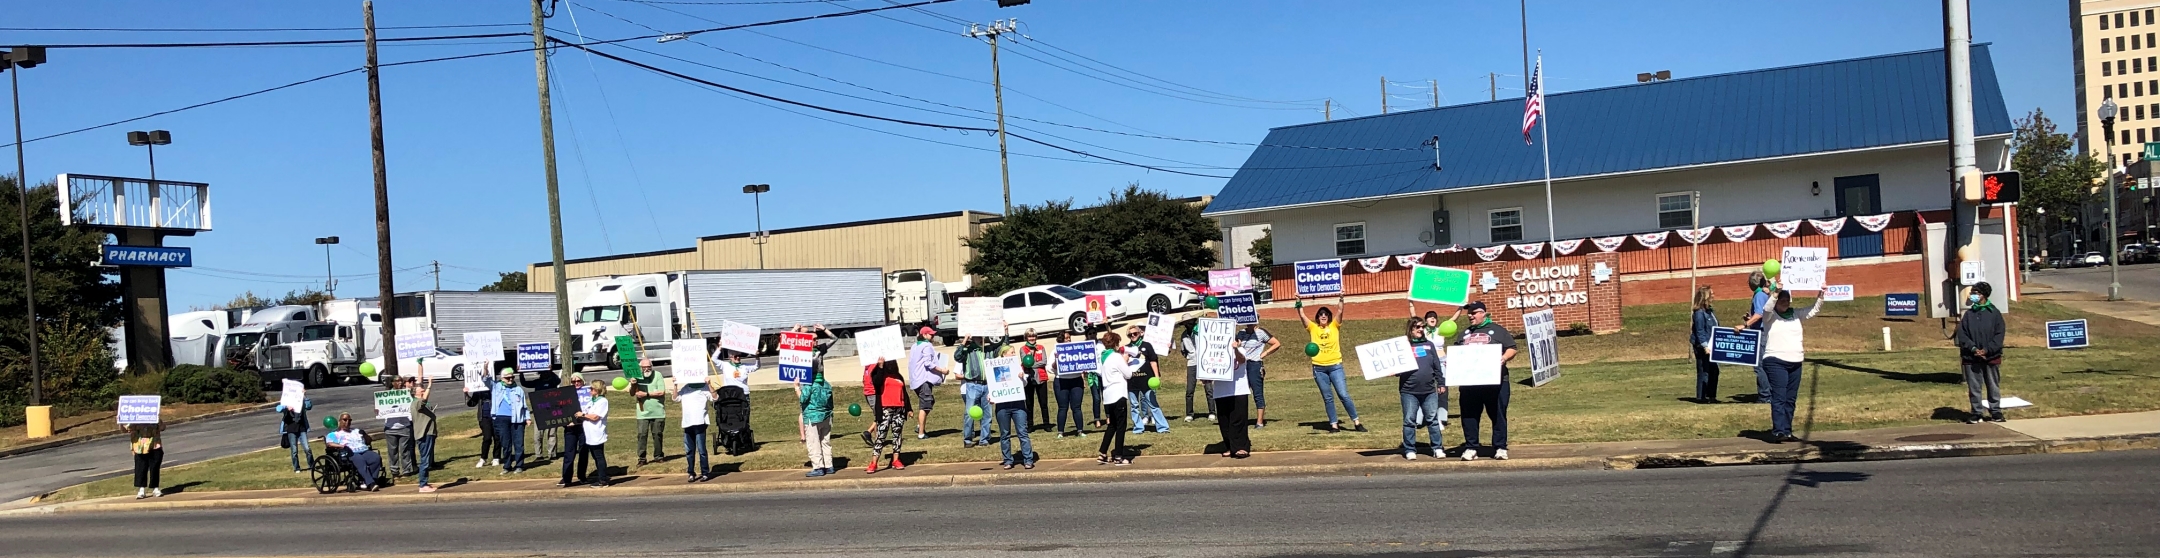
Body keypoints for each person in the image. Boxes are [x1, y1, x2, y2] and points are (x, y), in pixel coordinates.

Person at [1739, 290, 1824, 443]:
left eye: (1787, 299)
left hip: (1796, 360)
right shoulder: (1770, 316)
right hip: (1776, 360)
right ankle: (1778, 431)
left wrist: (1821, 294)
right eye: (1782, 299)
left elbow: (1813, 310)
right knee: (1779, 396)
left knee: (1791, 399)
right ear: (1777, 301)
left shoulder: (1795, 313)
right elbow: (1766, 309)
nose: (1785, 302)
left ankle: (1787, 430)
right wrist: (1775, 293)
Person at [1455, 301, 1519, 461]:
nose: (1470, 315)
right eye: (1469, 313)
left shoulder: (1497, 330)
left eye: (1474, 312)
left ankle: (1500, 447)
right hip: (1470, 383)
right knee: (1469, 415)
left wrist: (1503, 358)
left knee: (1498, 414)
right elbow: (1457, 353)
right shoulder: (1464, 334)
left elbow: (1512, 348)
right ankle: (1471, 447)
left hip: (1496, 382)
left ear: (1483, 313)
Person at [1297, 295, 1363, 432]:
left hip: (1335, 366)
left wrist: (1341, 298)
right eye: (1320, 314)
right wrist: (1298, 302)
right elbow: (1302, 315)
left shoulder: (1334, 326)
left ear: (1329, 316)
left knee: (1343, 394)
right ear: (1317, 317)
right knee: (1328, 398)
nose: (1323, 316)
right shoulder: (1313, 328)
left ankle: (1356, 422)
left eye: (1325, 314)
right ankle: (1334, 425)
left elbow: (1340, 311)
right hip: (1319, 368)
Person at [1954, 282, 2008, 424]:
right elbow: (1962, 334)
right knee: (1974, 386)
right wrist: (1973, 349)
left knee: (1992, 384)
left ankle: (1995, 411)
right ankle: (1976, 412)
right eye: (1972, 292)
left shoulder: (1994, 313)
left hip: (1991, 356)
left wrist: (1987, 350)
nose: (1972, 295)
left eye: (1975, 292)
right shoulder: (1969, 314)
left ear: (1983, 295)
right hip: (1971, 357)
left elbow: (1999, 335)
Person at [1400, 318, 1448, 460]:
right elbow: (1398, 367)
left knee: (1432, 420)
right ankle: (1409, 449)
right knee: (1409, 420)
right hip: (1409, 391)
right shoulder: (1403, 346)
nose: (1420, 329)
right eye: (1417, 327)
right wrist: (1393, 370)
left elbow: (1436, 366)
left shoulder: (1429, 344)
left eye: (1422, 327)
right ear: (1410, 329)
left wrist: (1441, 383)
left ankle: (1437, 448)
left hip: (1429, 390)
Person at [953, 336, 1006, 447]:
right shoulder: (968, 350)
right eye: (978, 337)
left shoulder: (989, 350)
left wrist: (1005, 332)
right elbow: (957, 356)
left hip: (987, 385)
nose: (981, 339)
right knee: (969, 413)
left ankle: (984, 439)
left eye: (982, 337)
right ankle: (967, 439)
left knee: (987, 414)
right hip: (972, 384)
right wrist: (964, 340)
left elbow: (1004, 348)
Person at [864, 357, 911, 473]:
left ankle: (896, 459)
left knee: (897, 435)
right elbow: (877, 382)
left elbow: (904, 393)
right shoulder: (880, 374)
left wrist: (909, 409)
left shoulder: (899, 376)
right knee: (881, 436)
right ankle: (874, 462)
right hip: (885, 409)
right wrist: (880, 367)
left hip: (899, 409)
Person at [1095, 332, 1136, 465]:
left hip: (1107, 395)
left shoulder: (1103, 358)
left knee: (1111, 425)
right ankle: (1118, 455)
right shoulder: (1116, 357)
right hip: (1118, 394)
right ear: (1115, 344)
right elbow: (1129, 374)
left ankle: (1102, 452)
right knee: (1121, 425)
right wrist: (1125, 361)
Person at [1217, 330, 1257, 458]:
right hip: (1220, 391)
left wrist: (1235, 350)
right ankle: (1230, 447)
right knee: (1224, 422)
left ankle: (1241, 447)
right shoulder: (1215, 352)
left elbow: (1241, 360)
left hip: (1239, 390)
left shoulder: (1241, 350)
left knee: (1238, 420)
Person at [991, 357, 1036, 470]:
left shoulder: (1018, 368)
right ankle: (1008, 460)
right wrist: (991, 395)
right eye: (1011, 352)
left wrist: (1022, 378)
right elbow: (992, 386)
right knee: (1005, 434)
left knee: (1022, 433)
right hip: (1002, 406)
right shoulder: (994, 368)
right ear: (1004, 354)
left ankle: (1028, 460)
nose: (1014, 354)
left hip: (1018, 405)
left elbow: (1025, 384)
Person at [1124, 325, 1170, 434]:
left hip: (1147, 380)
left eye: (1135, 333)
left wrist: (1156, 376)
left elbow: (1153, 361)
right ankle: (1138, 428)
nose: (1133, 336)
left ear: (1140, 333)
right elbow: (1123, 365)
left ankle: (1163, 427)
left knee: (1153, 404)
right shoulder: (1126, 348)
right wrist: (1125, 358)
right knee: (1134, 406)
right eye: (1130, 334)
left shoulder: (1147, 345)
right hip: (1132, 381)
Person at [1234, 322, 1280, 429]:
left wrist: (1264, 354)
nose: (1249, 324)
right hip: (1242, 365)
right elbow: (1236, 343)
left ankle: (1259, 422)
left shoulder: (1261, 333)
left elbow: (1276, 343)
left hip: (1255, 364)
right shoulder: (1241, 333)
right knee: (1240, 393)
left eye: (1252, 321)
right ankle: (1241, 420)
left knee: (1257, 393)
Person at [907, 326, 949, 440]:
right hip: (923, 380)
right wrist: (942, 370)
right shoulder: (927, 345)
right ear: (924, 335)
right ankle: (921, 433)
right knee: (925, 404)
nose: (933, 336)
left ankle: (919, 425)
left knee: (929, 402)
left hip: (915, 380)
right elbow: (928, 363)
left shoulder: (915, 346)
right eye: (931, 334)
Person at [672, 374, 715, 482]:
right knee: (689, 451)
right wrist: (675, 386)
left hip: (700, 422)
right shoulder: (686, 387)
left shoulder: (704, 387)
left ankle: (705, 472)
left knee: (701, 450)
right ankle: (691, 473)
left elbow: (715, 397)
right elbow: (675, 398)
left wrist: (709, 384)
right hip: (687, 423)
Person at [328, 413, 384, 491]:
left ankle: (369, 480)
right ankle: (371, 483)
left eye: (349, 420)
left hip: (363, 450)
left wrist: (364, 435)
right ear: (340, 421)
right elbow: (330, 443)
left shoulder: (357, 431)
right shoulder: (334, 434)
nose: (347, 422)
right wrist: (342, 446)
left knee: (375, 458)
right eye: (345, 420)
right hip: (349, 453)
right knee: (359, 460)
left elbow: (368, 441)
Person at [1744, 270, 1776, 403]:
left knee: (1759, 366)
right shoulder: (1764, 294)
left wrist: (1746, 324)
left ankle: (1765, 396)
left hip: (1761, 333)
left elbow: (1759, 314)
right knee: (1766, 365)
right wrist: (1750, 318)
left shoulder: (1759, 295)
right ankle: (1770, 392)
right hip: (1765, 331)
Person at [491, 369, 530, 474]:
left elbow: (524, 406)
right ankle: (507, 466)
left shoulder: (518, 389)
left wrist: (527, 418)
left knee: (519, 443)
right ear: (502, 378)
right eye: (508, 378)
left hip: (517, 419)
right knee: (506, 444)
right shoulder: (496, 387)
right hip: (502, 419)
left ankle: (519, 465)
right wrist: (485, 367)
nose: (510, 379)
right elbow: (485, 379)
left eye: (512, 377)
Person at [799, 366, 835, 477]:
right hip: (826, 416)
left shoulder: (809, 384)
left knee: (813, 442)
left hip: (812, 417)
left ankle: (818, 466)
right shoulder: (827, 384)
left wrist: (796, 387)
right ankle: (829, 465)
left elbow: (802, 399)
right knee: (825, 442)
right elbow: (831, 404)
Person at [1051, 331, 1089, 438]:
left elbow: (1083, 362)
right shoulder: (1055, 351)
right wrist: (1056, 359)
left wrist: (1085, 368)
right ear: (1060, 339)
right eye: (1066, 338)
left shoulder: (1076, 349)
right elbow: (1050, 368)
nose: (1068, 340)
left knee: (1076, 407)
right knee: (1062, 407)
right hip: (1061, 381)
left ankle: (1080, 430)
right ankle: (1060, 432)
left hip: (1076, 380)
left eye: (1069, 338)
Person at [1689, 286, 1723, 404]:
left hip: (1712, 345)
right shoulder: (1699, 313)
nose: (1713, 296)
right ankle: (1701, 397)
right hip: (1702, 347)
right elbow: (1699, 331)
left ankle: (1711, 396)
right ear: (1705, 297)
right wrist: (1705, 346)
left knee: (1714, 371)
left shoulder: (1710, 311)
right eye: (1711, 294)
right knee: (1704, 371)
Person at [558, 373, 592, 488]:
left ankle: (582, 477)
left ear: (583, 381)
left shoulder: (588, 392)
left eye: (579, 381)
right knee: (569, 452)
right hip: (570, 427)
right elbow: (560, 410)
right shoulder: (565, 394)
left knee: (583, 452)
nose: (576, 383)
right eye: (574, 381)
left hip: (584, 425)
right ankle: (566, 477)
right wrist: (565, 422)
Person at [1176, 323, 1214, 423]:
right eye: (1186, 322)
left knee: (1208, 388)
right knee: (1189, 390)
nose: (1188, 324)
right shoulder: (1184, 335)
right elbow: (1183, 350)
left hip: (1204, 362)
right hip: (1191, 363)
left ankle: (1212, 412)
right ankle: (1189, 414)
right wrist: (1190, 356)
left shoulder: (1200, 331)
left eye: (1190, 322)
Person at [576, 382, 611, 488]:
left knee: (599, 456)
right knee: (595, 457)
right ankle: (601, 478)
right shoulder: (591, 401)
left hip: (597, 432)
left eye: (591, 388)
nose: (589, 390)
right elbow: (586, 413)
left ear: (597, 389)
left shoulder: (603, 401)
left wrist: (583, 415)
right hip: (589, 433)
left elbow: (596, 417)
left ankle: (603, 480)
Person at [1018, 331, 1053, 430]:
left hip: (1041, 378)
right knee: (1029, 403)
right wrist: (1035, 362)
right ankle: (1030, 425)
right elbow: (1025, 363)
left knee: (1044, 403)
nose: (1032, 338)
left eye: (1033, 336)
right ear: (1026, 337)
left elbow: (1044, 361)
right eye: (1029, 336)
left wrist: (1033, 363)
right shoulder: (1023, 349)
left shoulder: (1041, 348)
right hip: (1029, 378)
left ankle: (1046, 424)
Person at [633, 371, 667, 466]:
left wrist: (646, 394)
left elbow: (661, 392)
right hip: (642, 413)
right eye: (644, 367)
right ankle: (642, 458)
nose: (646, 369)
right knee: (642, 435)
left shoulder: (658, 375)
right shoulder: (636, 376)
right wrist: (633, 384)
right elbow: (632, 393)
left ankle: (658, 456)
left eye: (648, 367)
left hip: (657, 411)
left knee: (657, 434)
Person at [413, 378, 441, 493]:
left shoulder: (420, 404)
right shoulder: (417, 403)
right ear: (416, 393)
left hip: (428, 434)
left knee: (427, 459)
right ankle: (422, 485)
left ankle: (424, 482)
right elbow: (424, 399)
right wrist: (430, 385)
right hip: (424, 435)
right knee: (425, 460)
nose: (423, 390)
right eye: (421, 389)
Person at [467, 378, 498, 469]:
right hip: (484, 417)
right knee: (487, 437)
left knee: (497, 437)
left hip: (496, 416)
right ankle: (483, 458)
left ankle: (496, 457)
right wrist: (466, 393)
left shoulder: (495, 388)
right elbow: (472, 403)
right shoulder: (479, 391)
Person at [128, 422, 164, 499]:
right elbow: (126, 429)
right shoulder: (135, 418)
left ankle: (155, 488)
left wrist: (158, 421)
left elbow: (162, 427)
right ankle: (141, 489)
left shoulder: (154, 416)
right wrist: (120, 422)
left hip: (154, 444)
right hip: (140, 446)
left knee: (155, 466)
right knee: (141, 468)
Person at [278, 398, 312, 473]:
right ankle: (297, 468)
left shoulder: (301, 402)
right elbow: (278, 409)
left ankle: (311, 465)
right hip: (291, 429)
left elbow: (309, 406)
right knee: (294, 450)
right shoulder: (287, 403)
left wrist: (305, 397)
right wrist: (286, 407)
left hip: (302, 428)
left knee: (307, 448)